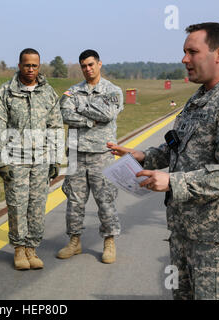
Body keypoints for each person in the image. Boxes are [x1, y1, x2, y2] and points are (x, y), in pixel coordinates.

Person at [108, 22, 219, 300]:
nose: (184, 59)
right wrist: (145, 156)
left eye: (192, 52)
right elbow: (179, 145)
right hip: (185, 234)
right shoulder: (201, 97)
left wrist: (173, 181)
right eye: (184, 52)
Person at [0, 48, 64, 270]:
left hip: (41, 159)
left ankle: (32, 248)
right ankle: (19, 249)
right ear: (19, 65)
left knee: (37, 205)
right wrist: (1, 161)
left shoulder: (48, 93)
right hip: (15, 159)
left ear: (39, 67)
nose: (31, 69)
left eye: (35, 65)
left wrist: (55, 159)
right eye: (27, 65)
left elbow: (56, 126)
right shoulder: (6, 93)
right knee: (17, 205)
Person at [56, 49, 123, 264]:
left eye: (91, 64)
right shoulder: (72, 91)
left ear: (99, 64)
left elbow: (107, 114)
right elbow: (65, 113)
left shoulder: (113, 91)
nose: (88, 69)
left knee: (105, 200)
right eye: (84, 66)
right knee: (74, 201)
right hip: (76, 154)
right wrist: (88, 119)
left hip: (101, 154)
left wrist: (81, 106)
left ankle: (109, 241)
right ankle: (74, 241)